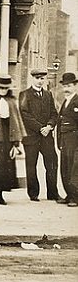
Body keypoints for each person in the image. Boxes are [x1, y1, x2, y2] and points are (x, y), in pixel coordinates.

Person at [19, 68, 62, 201]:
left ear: (45, 79)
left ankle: (53, 193)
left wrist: (49, 126)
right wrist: (40, 128)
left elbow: (54, 113)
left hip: (47, 136)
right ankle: (33, 194)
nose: (39, 81)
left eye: (42, 78)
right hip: (31, 137)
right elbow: (25, 115)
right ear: (32, 79)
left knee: (52, 163)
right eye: (37, 78)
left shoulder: (48, 95)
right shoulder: (24, 94)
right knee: (31, 165)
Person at [0, 73, 26, 205]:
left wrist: (16, 143)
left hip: (7, 136)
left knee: (5, 167)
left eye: (5, 88)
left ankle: (0, 194)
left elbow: (16, 122)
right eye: (0, 87)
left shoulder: (12, 102)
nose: (3, 90)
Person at [56, 72, 78, 207]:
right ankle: (69, 194)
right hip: (65, 140)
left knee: (73, 169)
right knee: (64, 167)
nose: (66, 89)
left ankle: (75, 197)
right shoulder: (66, 100)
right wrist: (59, 141)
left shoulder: (76, 101)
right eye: (64, 86)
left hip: (75, 141)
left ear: (75, 86)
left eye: (69, 86)